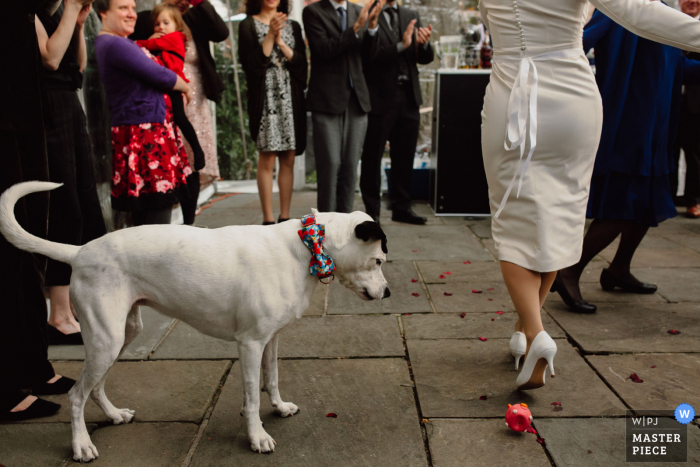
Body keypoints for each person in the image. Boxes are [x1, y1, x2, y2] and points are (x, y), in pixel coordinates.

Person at [478, 0, 700, 390]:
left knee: (512, 221)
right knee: (560, 218)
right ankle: (522, 330)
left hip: (510, 92)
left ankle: (534, 333)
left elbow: (490, 21)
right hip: (573, 100)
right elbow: (638, 12)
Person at [554, 3, 700, 314]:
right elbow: (573, 45)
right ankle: (568, 271)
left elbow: (675, 68)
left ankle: (619, 268)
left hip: (658, 127)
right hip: (628, 123)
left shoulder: (663, 12)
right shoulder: (619, 6)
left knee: (647, 203)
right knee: (623, 204)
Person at [0, 0, 75, 422]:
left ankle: (31, 366)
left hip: (25, 112)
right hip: (7, 115)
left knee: (27, 244)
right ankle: (7, 383)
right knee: (8, 251)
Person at [35, 0, 107, 346]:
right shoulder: (28, 12)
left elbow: (76, 66)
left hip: (69, 105)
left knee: (86, 205)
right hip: (46, 111)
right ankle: (58, 314)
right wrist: (71, 11)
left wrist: (78, 23)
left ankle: (73, 309)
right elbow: (49, 57)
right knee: (66, 208)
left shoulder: (59, 12)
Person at [94, 0, 193, 225]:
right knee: (156, 208)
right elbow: (159, 75)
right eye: (123, 8)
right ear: (103, 12)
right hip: (144, 135)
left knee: (151, 208)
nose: (132, 14)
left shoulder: (119, 42)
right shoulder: (115, 44)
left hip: (148, 130)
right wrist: (185, 86)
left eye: (132, 8)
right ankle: (155, 259)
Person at [132, 0, 228, 189]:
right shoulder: (148, 19)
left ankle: (189, 213)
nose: (184, 2)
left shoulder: (194, 19)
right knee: (170, 145)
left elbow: (221, 33)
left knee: (190, 151)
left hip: (192, 92)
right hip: (162, 91)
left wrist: (200, 2)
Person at [303, 0, 384, 213]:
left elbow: (370, 56)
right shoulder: (312, 12)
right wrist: (356, 28)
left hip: (357, 101)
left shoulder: (360, 11)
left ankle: (346, 226)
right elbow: (323, 49)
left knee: (350, 166)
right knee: (330, 166)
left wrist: (373, 26)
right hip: (326, 99)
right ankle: (325, 228)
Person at [359, 0, 434, 225]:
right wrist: (402, 45)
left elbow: (424, 58)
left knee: (405, 156)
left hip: (409, 96)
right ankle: (371, 213)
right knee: (372, 158)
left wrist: (424, 45)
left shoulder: (411, 14)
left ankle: (402, 208)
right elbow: (369, 56)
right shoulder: (367, 14)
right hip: (380, 97)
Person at [136, 2, 206, 225]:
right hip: (168, 88)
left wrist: (135, 43)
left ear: (177, 25)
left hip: (176, 86)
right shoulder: (164, 41)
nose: (161, 26)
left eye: (166, 22)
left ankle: (198, 150)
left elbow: (146, 45)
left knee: (181, 119)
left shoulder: (175, 38)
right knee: (177, 124)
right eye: (157, 23)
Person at [238, 0, 308, 225]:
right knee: (267, 157)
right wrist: (270, 35)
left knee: (288, 156)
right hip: (265, 96)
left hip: (290, 97)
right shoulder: (248, 25)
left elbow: (301, 67)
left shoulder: (294, 26)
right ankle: (268, 220)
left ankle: (285, 217)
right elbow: (252, 66)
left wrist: (281, 42)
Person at [673, 0, 700, 219]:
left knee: (694, 156)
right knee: (668, 153)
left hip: (695, 105)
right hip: (671, 102)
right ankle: (668, 199)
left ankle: (693, 202)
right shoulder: (670, 27)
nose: (691, 1)